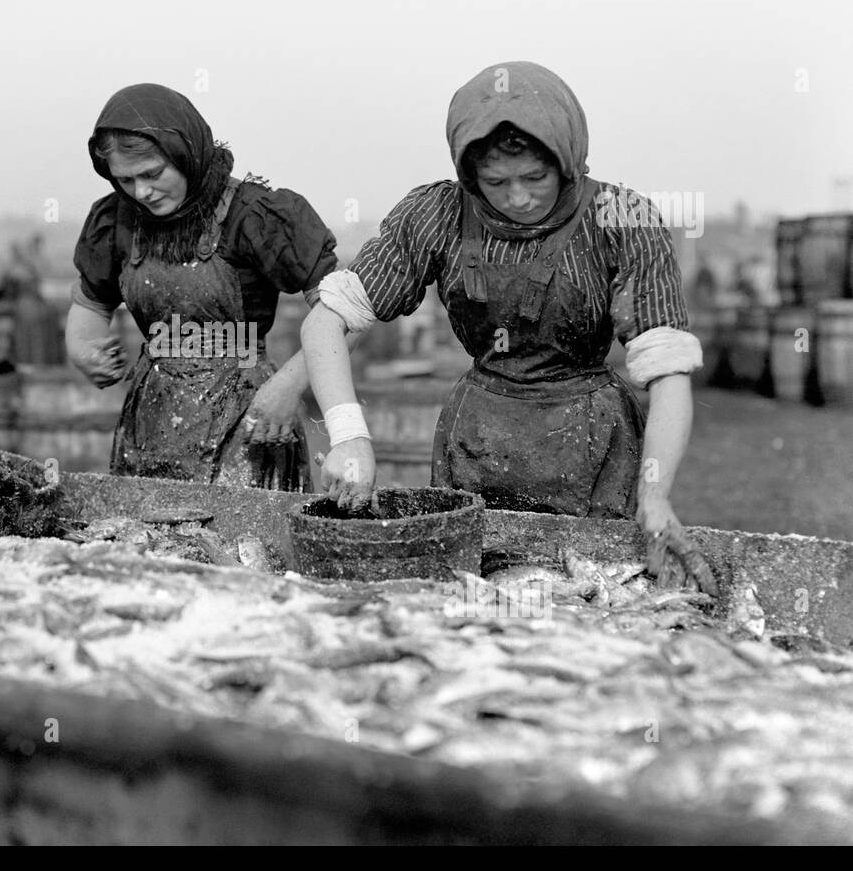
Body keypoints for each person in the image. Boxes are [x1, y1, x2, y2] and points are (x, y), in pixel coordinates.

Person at [301, 62, 716, 594]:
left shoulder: (622, 218)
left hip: (592, 440)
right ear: (469, 175)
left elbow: (668, 373)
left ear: (567, 162)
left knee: (586, 598)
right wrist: (349, 437)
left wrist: (655, 496)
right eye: (496, 182)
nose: (518, 198)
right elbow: (323, 323)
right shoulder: (437, 214)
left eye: (535, 178)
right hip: (476, 439)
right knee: (473, 599)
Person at [67, 83, 338, 489]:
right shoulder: (117, 221)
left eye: (152, 174)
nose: (141, 191)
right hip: (151, 420)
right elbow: (91, 306)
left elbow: (341, 313)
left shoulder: (255, 215)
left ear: (184, 154)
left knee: (240, 546)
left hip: (250, 417)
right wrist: (82, 350)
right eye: (125, 179)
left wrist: (289, 386)